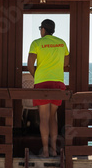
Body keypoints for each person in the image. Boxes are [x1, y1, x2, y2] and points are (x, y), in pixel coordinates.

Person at [27, 19, 70, 158]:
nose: (40, 31)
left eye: (40, 28)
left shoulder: (36, 43)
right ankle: (53, 149)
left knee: (43, 118)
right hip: (58, 83)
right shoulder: (62, 43)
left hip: (42, 84)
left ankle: (45, 151)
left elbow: (29, 64)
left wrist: (37, 75)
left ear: (43, 29)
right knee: (53, 117)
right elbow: (66, 62)